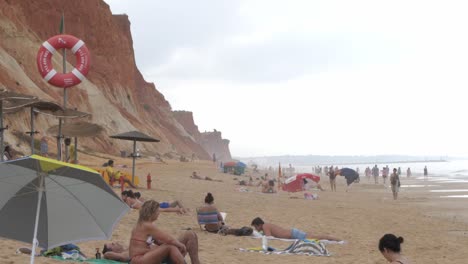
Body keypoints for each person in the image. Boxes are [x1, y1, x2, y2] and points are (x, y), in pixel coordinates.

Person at [104, 200, 200, 264]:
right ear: (152, 213)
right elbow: (168, 238)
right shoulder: (146, 225)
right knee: (170, 246)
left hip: (153, 255)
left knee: (190, 234)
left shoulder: (143, 225)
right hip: (140, 259)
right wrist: (180, 245)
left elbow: (161, 241)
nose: (158, 214)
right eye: (157, 212)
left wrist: (175, 245)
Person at [251, 217, 341, 241]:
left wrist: (258, 236)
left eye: (255, 226)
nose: (255, 228)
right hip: (293, 233)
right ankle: (333, 238)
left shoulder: (265, 226)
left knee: (317, 237)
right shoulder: (266, 226)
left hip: (294, 234)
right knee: (314, 236)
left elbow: (269, 237)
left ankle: (335, 238)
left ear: (258, 225)